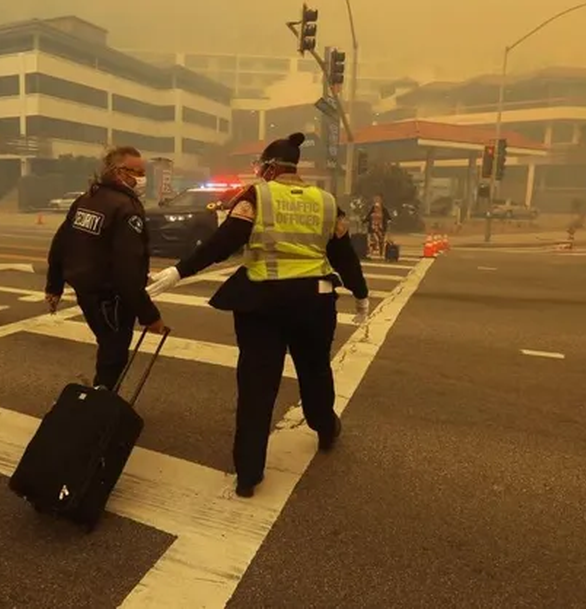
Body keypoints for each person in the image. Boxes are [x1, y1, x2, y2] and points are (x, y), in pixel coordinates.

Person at [145, 133, 369, 498]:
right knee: (314, 370)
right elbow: (344, 255)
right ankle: (325, 427)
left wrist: (177, 273)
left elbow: (222, 244)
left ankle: (249, 473)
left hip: (263, 304)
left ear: (269, 167)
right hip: (315, 303)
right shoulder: (327, 203)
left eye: (259, 166)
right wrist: (360, 295)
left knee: (256, 386)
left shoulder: (256, 196)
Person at [44, 146, 168, 390]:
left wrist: (54, 286)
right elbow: (128, 270)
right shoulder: (126, 208)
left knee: (107, 345)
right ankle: (99, 405)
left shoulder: (88, 198)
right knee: (114, 352)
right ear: (120, 172)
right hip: (110, 298)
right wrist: (149, 315)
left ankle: (99, 399)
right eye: (139, 172)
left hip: (87, 291)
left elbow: (60, 243)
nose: (143, 179)